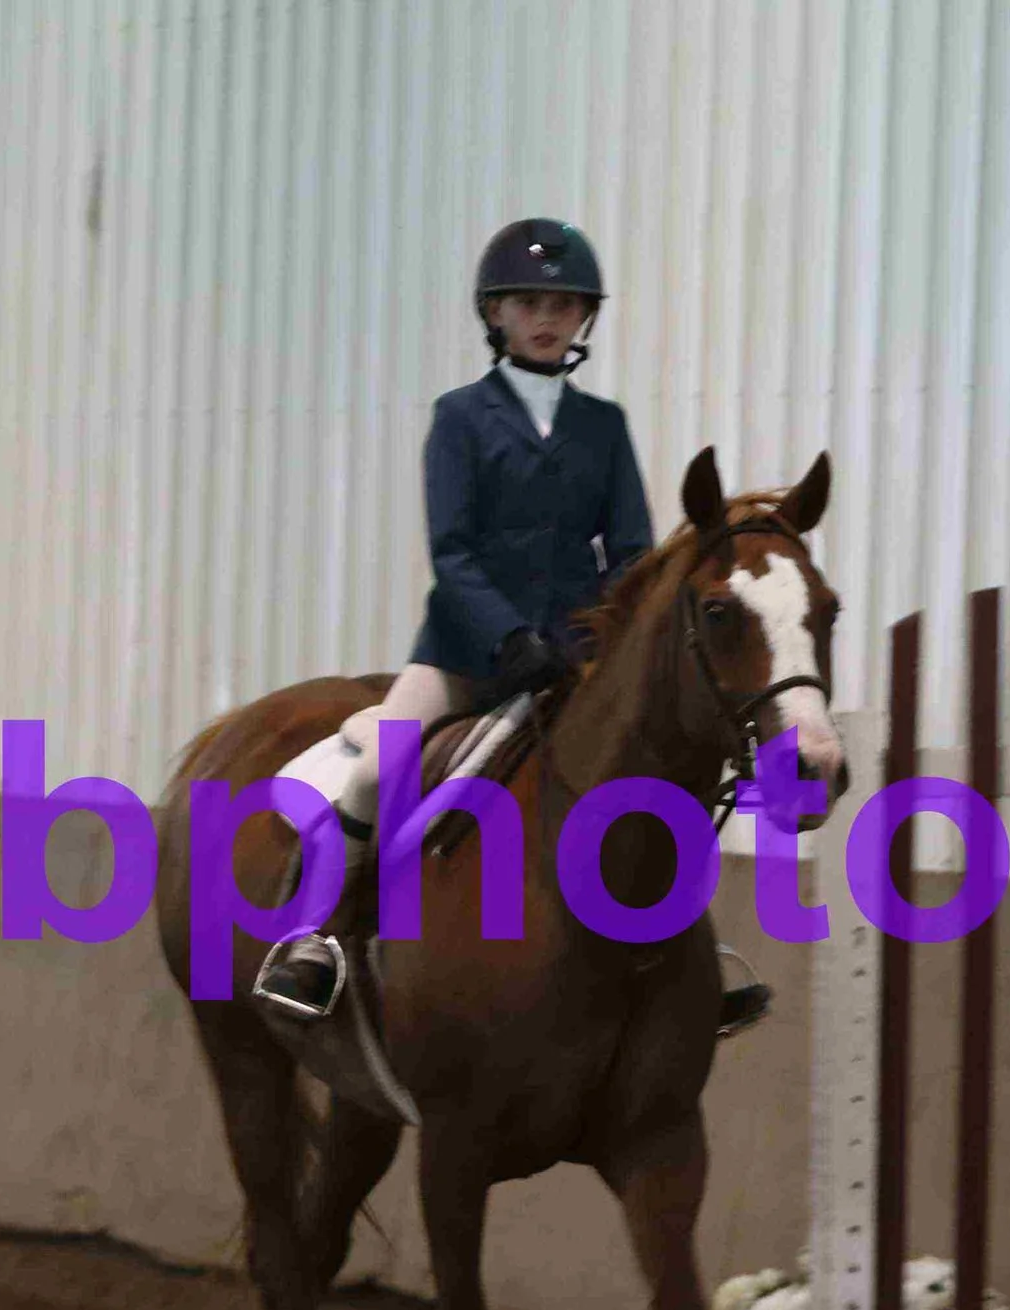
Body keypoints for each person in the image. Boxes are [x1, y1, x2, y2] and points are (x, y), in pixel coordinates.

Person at [253, 218, 773, 1038]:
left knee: (656, 777)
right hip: (467, 654)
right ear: (495, 315)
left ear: (583, 319)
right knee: (378, 773)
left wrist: (598, 639)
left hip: (578, 658)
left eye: (563, 307)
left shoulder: (603, 426)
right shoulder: (460, 417)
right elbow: (453, 552)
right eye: (528, 304)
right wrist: (507, 637)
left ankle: (689, 963)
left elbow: (632, 554)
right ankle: (316, 937)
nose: (546, 319)